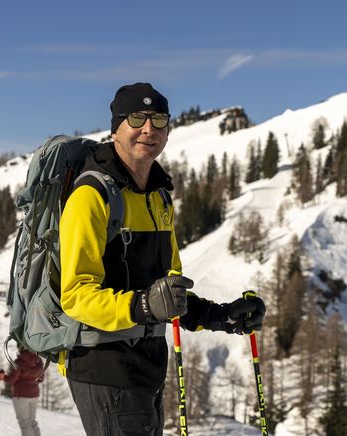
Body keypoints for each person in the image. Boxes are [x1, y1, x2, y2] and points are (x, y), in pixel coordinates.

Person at [58, 82, 266, 436]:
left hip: (148, 365)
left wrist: (222, 316)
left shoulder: (158, 198)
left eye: (158, 119)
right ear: (116, 128)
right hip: (105, 365)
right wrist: (142, 306)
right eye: (137, 118)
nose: (148, 128)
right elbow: (76, 295)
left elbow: (169, 295)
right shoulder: (92, 195)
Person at [0, 348, 44, 436]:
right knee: (32, 422)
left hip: (21, 396)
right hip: (34, 395)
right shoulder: (38, 360)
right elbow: (41, 378)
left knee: (25, 424)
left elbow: (12, 380)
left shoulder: (19, 362)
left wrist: (3, 377)